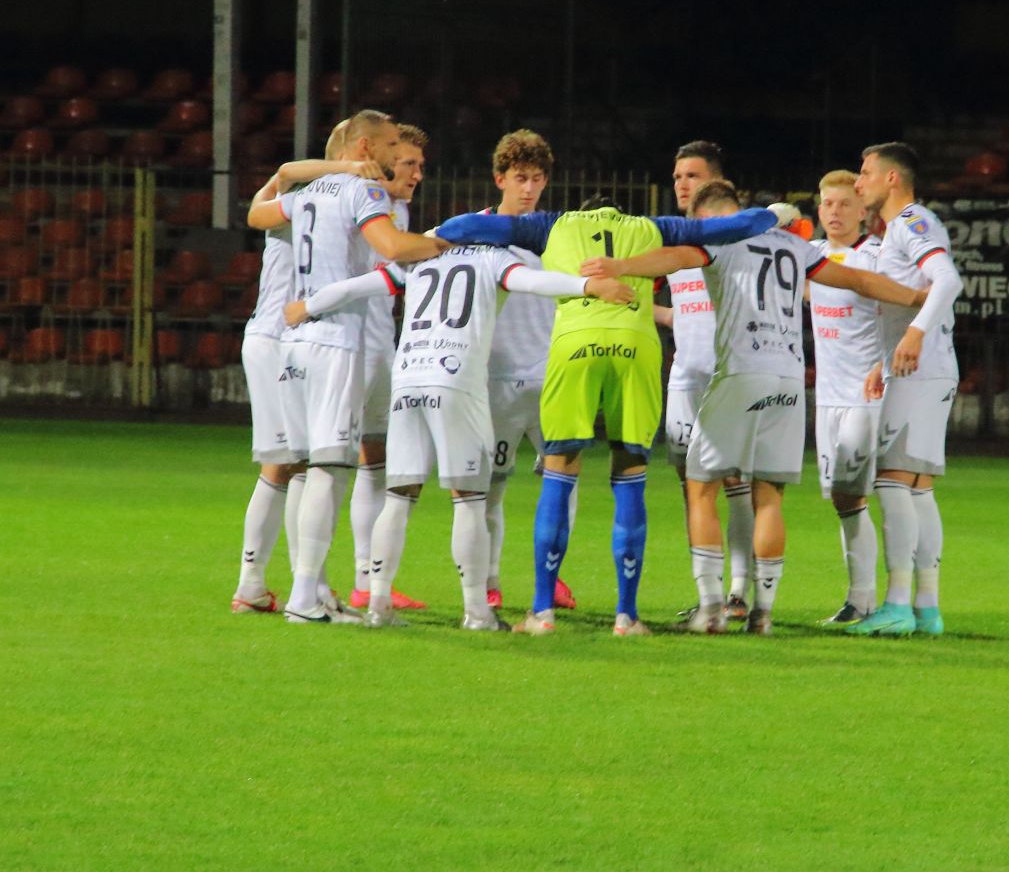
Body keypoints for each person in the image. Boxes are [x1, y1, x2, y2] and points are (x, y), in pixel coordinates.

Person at [581, 180, 926, 635]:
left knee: (700, 486)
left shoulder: (721, 240)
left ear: (710, 219)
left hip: (741, 374)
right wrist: (919, 299)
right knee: (769, 496)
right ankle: (763, 613)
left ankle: (710, 608)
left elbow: (674, 257)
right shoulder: (793, 245)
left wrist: (620, 266)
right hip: (788, 380)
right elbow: (859, 281)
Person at [433, 198, 779, 635]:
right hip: (635, 344)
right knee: (630, 474)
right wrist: (776, 214)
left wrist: (426, 238)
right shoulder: (653, 227)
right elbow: (740, 225)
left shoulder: (550, 225)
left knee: (559, 470)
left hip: (574, 343)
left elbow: (462, 226)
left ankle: (542, 613)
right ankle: (626, 616)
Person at [282, 234, 633, 630]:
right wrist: (588, 286)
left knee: (398, 497)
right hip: (455, 378)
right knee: (470, 499)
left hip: (407, 379)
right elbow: (533, 282)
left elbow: (354, 287)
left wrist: (306, 306)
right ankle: (477, 611)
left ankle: (378, 604)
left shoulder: (421, 256)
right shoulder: (492, 256)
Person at [246, 109, 447, 624]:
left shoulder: (308, 193)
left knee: (302, 468)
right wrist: (449, 244)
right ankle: (304, 597)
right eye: (391, 146)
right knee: (328, 469)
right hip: (333, 339)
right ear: (364, 148)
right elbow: (391, 248)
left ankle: (305, 588)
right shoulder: (364, 191)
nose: (397, 156)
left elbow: (257, 215)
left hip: (297, 341)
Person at [230, 149, 384, 613]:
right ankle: (287, 588)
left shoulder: (302, 201)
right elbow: (282, 176)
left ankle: (284, 586)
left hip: (276, 336)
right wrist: (347, 170)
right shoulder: (324, 199)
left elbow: (269, 193)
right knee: (297, 466)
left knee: (293, 466)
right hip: (282, 335)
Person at [849, 142, 964, 637]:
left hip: (922, 368)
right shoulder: (903, 227)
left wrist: (914, 334)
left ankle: (896, 604)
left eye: (865, 172)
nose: (859, 182)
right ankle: (926, 607)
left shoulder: (911, 222)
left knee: (892, 482)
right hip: (926, 368)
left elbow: (947, 280)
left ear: (892, 178)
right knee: (917, 488)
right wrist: (885, 358)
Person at [482, 130, 579, 612]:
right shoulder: (476, 230)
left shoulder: (557, 236)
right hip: (494, 380)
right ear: (500, 178)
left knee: (564, 481)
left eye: (537, 179)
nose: (529, 188)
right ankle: (489, 580)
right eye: (520, 178)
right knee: (490, 489)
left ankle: (552, 575)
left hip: (550, 379)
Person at [664, 141, 756, 619]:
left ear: (717, 183)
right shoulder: (673, 239)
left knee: (736, 481)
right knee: (692, 486)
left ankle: (738, 591)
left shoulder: (740, 240)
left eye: (693, 176)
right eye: (678, 176)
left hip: (728, 377)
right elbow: (682, 310)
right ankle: (708, 594)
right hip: (685, 379)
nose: (683, 184)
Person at [347, 123, 430, 612]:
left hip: (380, 342)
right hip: (347, 344)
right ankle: (307, 584)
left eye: (420, 166)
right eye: (408, 164)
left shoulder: (397, 208)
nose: (417, 174)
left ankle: (366, 579)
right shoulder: (363, 199)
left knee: (374, 459)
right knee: (322, 464)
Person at [808, 169, 883, 627]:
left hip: (865, 396)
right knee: (844, 500)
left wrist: (885, 363)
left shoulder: (875, 257)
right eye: (827, 204)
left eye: (844, 204)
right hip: (827, 399)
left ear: (861, 211)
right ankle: (860, 600)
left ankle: (869, 598)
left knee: (853, 492)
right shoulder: (811, 255)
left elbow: (901, 310)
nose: (834, 212)